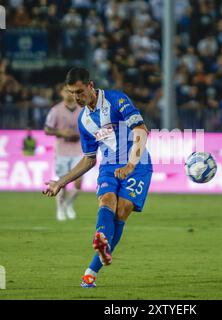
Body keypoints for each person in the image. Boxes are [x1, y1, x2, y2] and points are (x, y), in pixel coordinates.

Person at [42, 68, 153, 288]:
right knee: (106, 201)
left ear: (90, 86)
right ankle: (101, 241)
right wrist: (60, 182)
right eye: (72, 93)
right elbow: (89, 159)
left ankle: (90, 271)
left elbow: (141, 130)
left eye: (80, 91)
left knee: (122, 209)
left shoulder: (116, 99)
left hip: (138, 165)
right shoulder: (84, 120)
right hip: (109, 167)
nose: (76, 97)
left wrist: (131, 164)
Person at [44, 84, 83, 221]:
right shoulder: (56, 110)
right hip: (62, 151)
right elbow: (47, 129)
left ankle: (69, 204)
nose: (68, 93)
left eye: (70, 91)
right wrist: (61, 132)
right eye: (65, 91)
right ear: (60, 93)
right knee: (62, 183)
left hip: (78, 149)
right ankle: (60, 208)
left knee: (79, 182)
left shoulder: (82, 109)